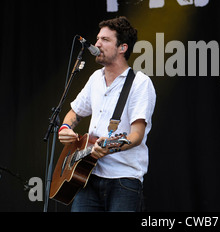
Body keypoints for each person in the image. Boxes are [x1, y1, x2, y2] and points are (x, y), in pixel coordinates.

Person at [58, 16, 156, 212]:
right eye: (98, 39)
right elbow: (74, 112)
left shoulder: (140, 83)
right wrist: (65, 127)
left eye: (105, 40)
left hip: (123, 181)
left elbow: (136, 135)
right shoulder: (95, 78)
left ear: (123, 48)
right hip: (88, 177)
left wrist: (110, 148)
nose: (97, 44)